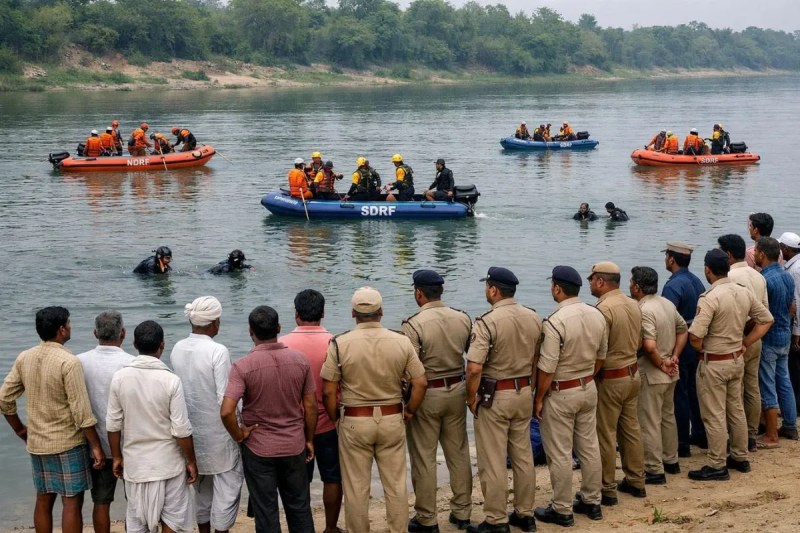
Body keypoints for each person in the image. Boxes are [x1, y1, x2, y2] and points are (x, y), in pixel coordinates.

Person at [321, 287, 428, 533]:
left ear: (352, 313)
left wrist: (336, 417)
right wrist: (410, 411)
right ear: (381, 311)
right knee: (395, 485)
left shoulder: (340, 343)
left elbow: (328, 390)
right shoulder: (401, 340)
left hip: (355, 420)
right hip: (391, 417)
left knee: (357, 487)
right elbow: (420, 382)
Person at [0, 306, 105, 533]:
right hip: (68, 443)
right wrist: (96, 446)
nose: (70, 326)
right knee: (71, 501)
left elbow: (5, 399)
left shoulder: (24, 357)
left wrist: (20, 430)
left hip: (37, 443)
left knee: (44, 499)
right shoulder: (69, 362)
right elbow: (81, 412)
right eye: (69, 323)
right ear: (61, 330)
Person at [221, 306, 317, 531]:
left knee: (266, 510)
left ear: (250, 331)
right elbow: (311, 406)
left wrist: (239, 434)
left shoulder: (242, 367)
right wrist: (309, 439)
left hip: (259, 448)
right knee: (299, 506)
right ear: (279, 328)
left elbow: (226, 411)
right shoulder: (300, 360)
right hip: (293, 444)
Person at [466, 267, 542, 533]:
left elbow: (474, 368)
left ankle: (496, 519)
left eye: (487, 286)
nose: (486, 290)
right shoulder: (533, 317)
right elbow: (535, 359)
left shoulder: (487, 322)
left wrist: (470, 398)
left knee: (493, 459)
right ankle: (525, 513)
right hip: (523, 392)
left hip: (495, 395)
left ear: (494, 290)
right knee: (523, 455)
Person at [687, 249, 773, 481]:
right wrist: (746, 342)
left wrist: (701, 349)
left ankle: (717, 464)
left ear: (707, 269)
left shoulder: (710, 297)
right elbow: (766, 319)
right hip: (736, 358)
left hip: (714, 362)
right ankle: (740, 456)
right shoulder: (742, 292)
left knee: (714, 414)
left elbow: (695, 335)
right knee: (736, 410)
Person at [106, 320, 197, 532]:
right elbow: (181, 429)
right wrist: (191, 460)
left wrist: (117, 457)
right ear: (162, 345)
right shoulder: (170, 380)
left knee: (138, 522)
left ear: (135, 344)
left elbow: (113, 424)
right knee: (173, 521)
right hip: (169, 463)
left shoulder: (120, 378)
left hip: (136, 464)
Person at [534, 266, 607, 527]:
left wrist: (539, 398)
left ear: (557, 288)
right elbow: (601, 356)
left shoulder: (555, 321)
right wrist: (586, 376)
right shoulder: (596, 314)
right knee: (589, 447)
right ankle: (592, 501)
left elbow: (547, 367)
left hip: (561, 391)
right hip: (588, 386)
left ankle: (562, 509)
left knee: (560, 452)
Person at [401, 270, 473, 532]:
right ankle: (462, 511)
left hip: (427, 393)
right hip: (457, 389)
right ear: (440, 291)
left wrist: (408, 407)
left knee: (424, 457)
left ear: (418, 293)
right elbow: (472, 356)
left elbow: (409, 371)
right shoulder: (462, 318)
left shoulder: (413, 324)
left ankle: (427, 517)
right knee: (459, 452)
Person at [170, 297, 243, 533]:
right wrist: (239, 432)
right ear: (214, 323)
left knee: (201, 492)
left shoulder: (178, 348)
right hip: (219, 436)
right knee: (227, 491)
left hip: (192, 436)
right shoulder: (218, 351)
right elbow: (225, 401)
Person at [280, 289, 343, 533]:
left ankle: (302, 527)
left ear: (296, 314)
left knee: (298, 482)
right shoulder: (336, 342)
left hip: (295, 426)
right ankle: (330, 528)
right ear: (323, 313)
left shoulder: (283, 345)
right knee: (333, 477)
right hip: (329, 422)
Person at [588, 261, 646, 505]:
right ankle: (636, 480)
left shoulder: (602, 310)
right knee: (631, 429)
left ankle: (607, 488)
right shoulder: (633, 304)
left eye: (592, 279)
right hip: (633, 373)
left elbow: (598, 353)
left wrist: (591, 376)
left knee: (606, 434)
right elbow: (641, 341)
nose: (590, 283)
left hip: (611, 378)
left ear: (601, 281)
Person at [76, 311, 135, 533]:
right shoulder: (132, 363)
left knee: (101, 502)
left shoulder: (80, 362)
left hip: (96, 445)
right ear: (123, 333)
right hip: (129, 444)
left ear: (94, 333)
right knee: (136, 502)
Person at [629, 267, 687, 485]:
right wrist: (674, 356)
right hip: (671, 372)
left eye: (631, 281)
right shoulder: (666, 303)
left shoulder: (643, 309)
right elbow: (683, 330)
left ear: (637, 286)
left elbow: (649, 346)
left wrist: (662, 363)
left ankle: (654, 468)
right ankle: (671, 460)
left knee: (649, 421)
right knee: (667, 416)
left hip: (653, 372)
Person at [718, 233, 768, 451]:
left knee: (734, 392)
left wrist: (741, 339)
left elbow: (734, 314)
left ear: (728, 254)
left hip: (735, 341)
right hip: (755, 338)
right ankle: (751, 434)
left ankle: (736, 437)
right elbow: (763, 313)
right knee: (752, 387)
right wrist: (750, 338)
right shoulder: (758, 276)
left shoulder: (728, 276)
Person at [661, 241, 707, 457]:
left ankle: (681, 443)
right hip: (695, 340)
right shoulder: (696, 280)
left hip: (680, 342)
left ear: (671, 259)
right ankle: (699, 432)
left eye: (666, 256)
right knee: (693, 391)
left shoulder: (672, 286)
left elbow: (667, 319)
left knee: (679, 394)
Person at [754, 237, 798, 446]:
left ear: (762, 254)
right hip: (784, 334)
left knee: (768, 384)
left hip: (769, 337)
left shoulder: (764, 280)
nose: (754, 255)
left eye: (756, 252)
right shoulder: (786, 276)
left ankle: (771, 434)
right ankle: (790, 425)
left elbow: (761, 313)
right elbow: (792, 307)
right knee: (784, 381)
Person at [778, 232, 800, 414]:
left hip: (796, 328)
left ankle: (796, 407)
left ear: (786, 249)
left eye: (780, 247)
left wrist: (796, 334)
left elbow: (797, 303)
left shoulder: (794, 270)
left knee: (794, 369)